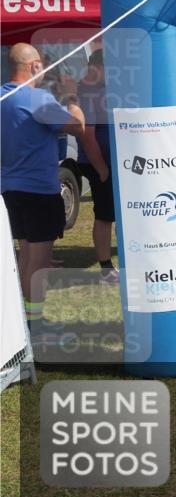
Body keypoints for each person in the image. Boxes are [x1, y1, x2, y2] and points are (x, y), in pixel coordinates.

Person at [2, 44, 104, 342]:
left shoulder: (3, 96)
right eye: (43, 65)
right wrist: (72, 97)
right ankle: (37, 327)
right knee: (40, 261)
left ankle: (26, 322)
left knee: (26, 254)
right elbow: (77, 125)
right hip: (39, 190)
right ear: (34, 66)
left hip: (10, 188)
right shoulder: (36, 99)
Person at [76, 50, 119, 284]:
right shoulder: (88, 92)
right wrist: (102, 168)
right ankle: (105, 269)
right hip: (100, 163)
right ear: (97, 67)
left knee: (110, 213)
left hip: (111, 162)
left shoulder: (99, 90)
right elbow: (87, 135)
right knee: (104, 215)